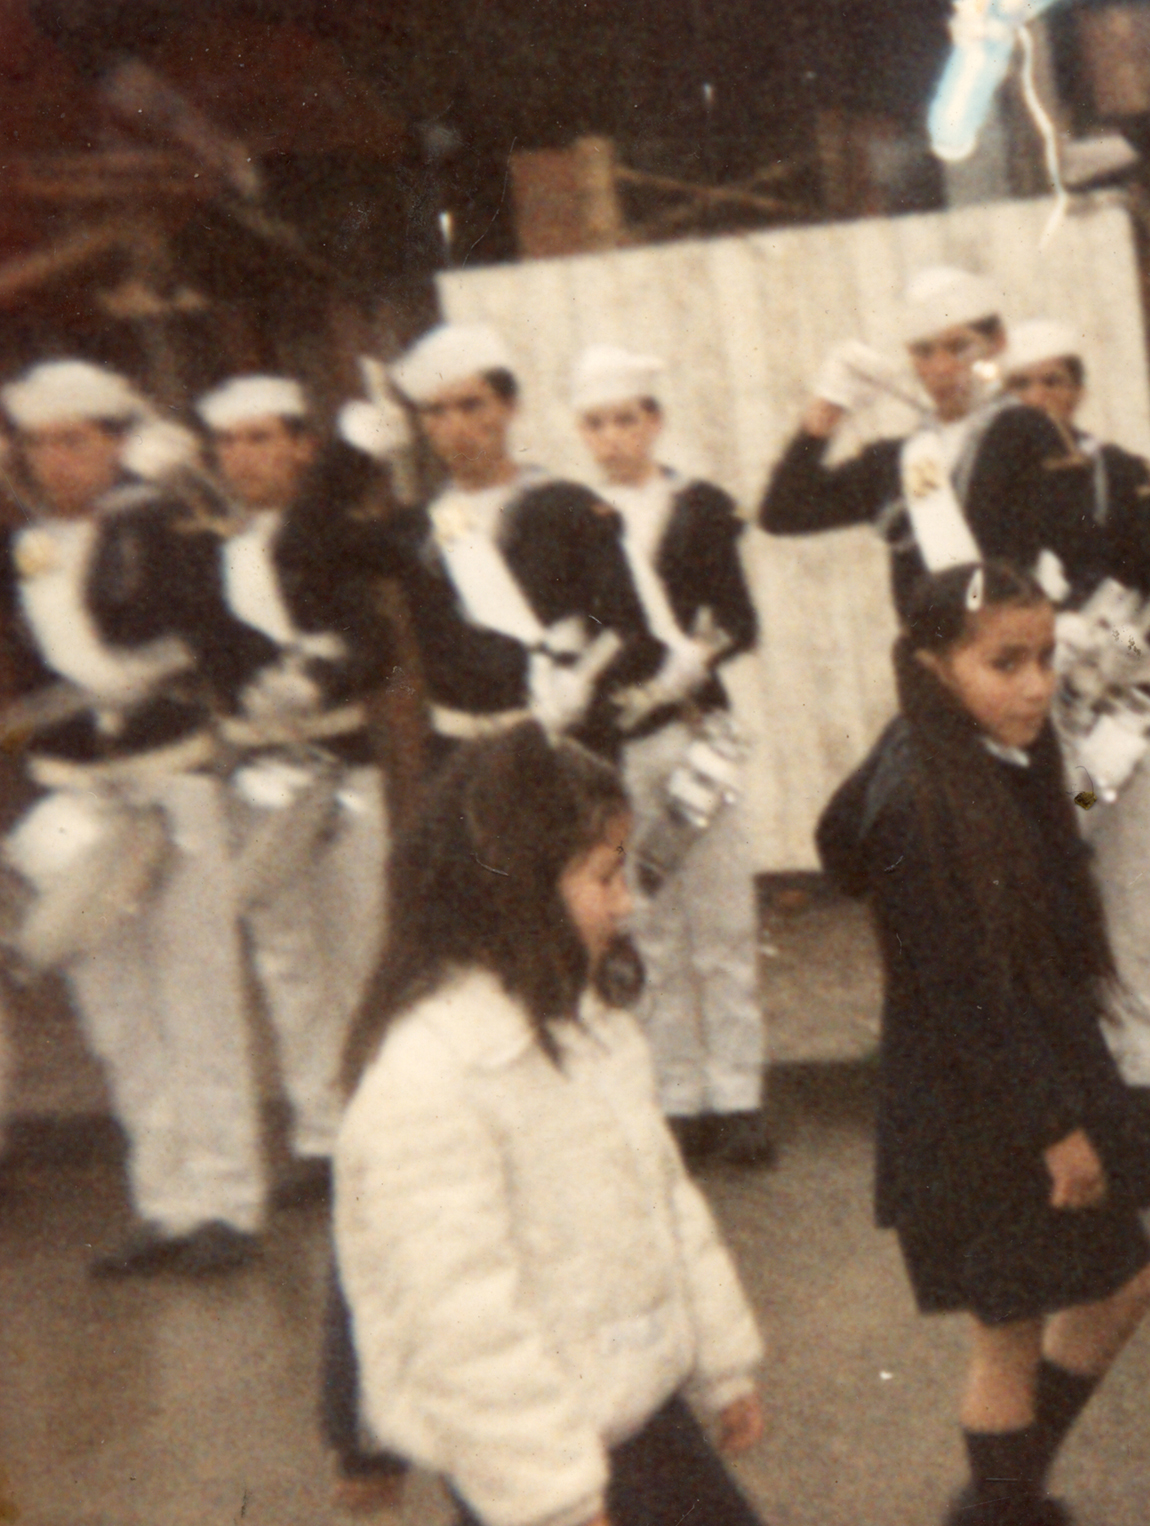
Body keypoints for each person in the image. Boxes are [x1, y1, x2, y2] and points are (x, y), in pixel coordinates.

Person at [335, 724, 776, 1526]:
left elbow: (667, 1202)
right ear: (517, 884)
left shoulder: (587, 1027)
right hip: (543, 1459)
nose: (627, 901)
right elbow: (460, 1321)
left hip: (639, 1418)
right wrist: (555, 1509)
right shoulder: (433, 1074)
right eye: (606, 876)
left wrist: (720, 1361)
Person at [816, 562, 1150, 1526]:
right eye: (1001, 661)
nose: (1032, 685)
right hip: (989, 1101)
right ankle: (1003, 1520)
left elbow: (837, 843)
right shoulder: (926, 794)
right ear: (934, 666)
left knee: (1116, 1287)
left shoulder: (967, 752)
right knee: (1008, 1338)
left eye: (1044, 658)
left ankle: (1002, 1500)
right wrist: (1052, 1128)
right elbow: (958, 996)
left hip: (1032, 1065)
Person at [0, 359, 263, 1275]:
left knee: (196, 997)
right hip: (77, 793)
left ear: (112, 441)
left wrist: (161, 496)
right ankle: (166, 1200)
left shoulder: (160, 526)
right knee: (114, 1012)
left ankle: (228, 1202)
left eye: (76, 441)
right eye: (38, 445)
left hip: (169, 780)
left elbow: (215, 629)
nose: (56, 461)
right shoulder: (25, 549)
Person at [569, 343, 774, 1169]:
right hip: (622, 743)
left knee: (720, 921)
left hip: (696, 737)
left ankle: (740, 1093)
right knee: (645, 922)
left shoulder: (700, 508)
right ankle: (677, 1095)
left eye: (628, 419)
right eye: (596, 424)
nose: (614, 438)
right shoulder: (573, 520)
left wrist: (699, 656)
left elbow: (740, 619)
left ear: (653, 421)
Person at [195, 374, 396, 1208]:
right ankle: (320, 1135)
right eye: (230, 443)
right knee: (285, 961)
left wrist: (319, 680)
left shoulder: (330, 535)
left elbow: (373, 638)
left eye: (262, 438)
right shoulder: (204, 547)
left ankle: (385, 1133)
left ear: (302, 446)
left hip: (337, 761)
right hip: (254, 771)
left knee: (358, 951)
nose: (245, 457)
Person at [1001, 318, 1150, 1135]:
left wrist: (1110, 640)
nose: (1040, 398)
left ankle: (1146, 1066)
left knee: (1126, 885)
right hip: (1032, 718)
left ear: (1077, 388)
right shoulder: (990, 486)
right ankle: (1069, 1069)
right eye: (1023, 385)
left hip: (1115, 715)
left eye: (1055, 381)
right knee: (1046, 883)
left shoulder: (1120, 474)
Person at [385, 322, 660, 758]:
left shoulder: (567, 506)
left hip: (561, 746)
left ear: (510, 406)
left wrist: (581, 679)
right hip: (460, 753)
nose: (455, 427)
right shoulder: (414, 528)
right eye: (435, 412)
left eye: (472, 406)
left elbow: (631, 630)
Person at [758, 265, 1092, 620]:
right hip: (926, 667)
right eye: (923, 351)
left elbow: (1092, 561)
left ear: (998, 344)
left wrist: (1108, 638)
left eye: (959, 347)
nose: (942, 368)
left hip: (1014, 656)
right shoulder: (894, 459)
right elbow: (782, 513)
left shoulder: (1028, 432)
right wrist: (827, 408)